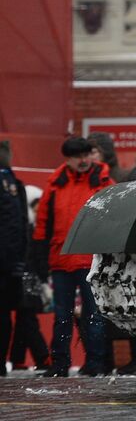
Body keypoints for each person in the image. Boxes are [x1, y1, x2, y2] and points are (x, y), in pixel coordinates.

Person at [33, 137, 113, 377]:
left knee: (94, 315)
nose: (83, 160)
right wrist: (39, 256)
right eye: (77, 156)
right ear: (67, 159)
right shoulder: (55, 185)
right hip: (62, 260)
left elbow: (113, 220)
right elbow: (43, 224)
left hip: (92, 260)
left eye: (86, 155)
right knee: (62, 316)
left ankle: (96, 363)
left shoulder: (103, 182)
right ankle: (60, 363)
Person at [8, 185, 49, 373]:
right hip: (24, 277)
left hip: (28, 277)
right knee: (28, 318)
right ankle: (42, 356)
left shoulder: (33, 228)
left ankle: (18, 358)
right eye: (35, 206)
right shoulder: (23, 228)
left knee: (25, 317)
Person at [0, 141, 28, 376]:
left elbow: (16, 225)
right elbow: (17, 225)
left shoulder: (12, 184)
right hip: (10, 262)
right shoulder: (13, 184)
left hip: (8, 262)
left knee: (5, 313)